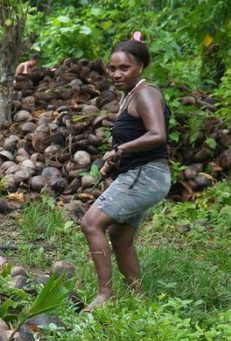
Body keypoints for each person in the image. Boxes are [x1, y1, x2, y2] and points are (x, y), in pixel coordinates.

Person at [79, 36, 171, 311]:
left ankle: (105, 295)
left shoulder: (146, 93)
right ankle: (138, 297)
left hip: (147, 175)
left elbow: (157, 135)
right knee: (120, 237)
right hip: (140, 174)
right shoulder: (130, 95)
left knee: (91, 223)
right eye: (112, 68)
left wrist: (120, 151)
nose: (117, 74)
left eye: (124, 68)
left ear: (140, 67)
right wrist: (112, 162)